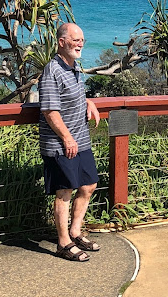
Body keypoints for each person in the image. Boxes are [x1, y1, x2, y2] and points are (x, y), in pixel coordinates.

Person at [39, 23, 101, 262]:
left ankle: (75, 231)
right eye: (75, 40)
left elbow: (71, 95)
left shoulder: (74, 67)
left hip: (80, 139)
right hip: (61, 142)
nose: (80, 44)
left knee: (89, 185)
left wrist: (88, 102)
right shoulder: (52, 71)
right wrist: (66, 137)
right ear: (62, 42)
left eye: (82, 40)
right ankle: (63, 242)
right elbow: (50, 111)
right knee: (65, 191)